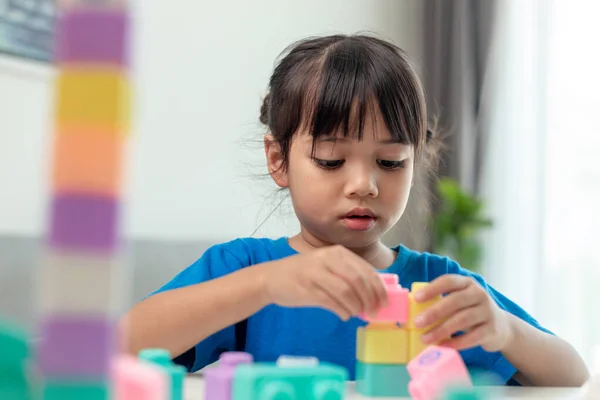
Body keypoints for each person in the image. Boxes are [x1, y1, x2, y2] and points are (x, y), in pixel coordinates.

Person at [120, 34, 588, 386]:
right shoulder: (247, 269)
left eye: (389, 162)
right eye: (331, 160)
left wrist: (505, 330)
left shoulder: (437, 285)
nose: (364, 184)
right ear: (279, 160)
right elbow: (118, 346)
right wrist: (262, 286)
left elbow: (572, 376)